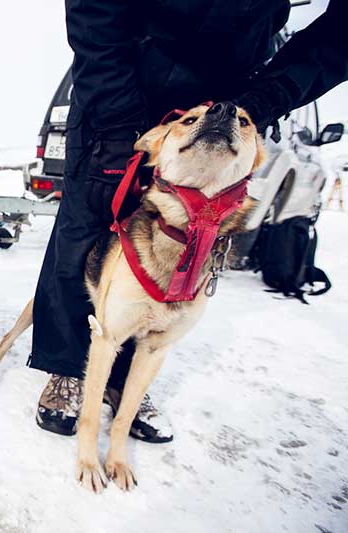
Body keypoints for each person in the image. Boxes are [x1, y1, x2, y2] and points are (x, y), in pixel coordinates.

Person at [31, 0, 348, 440]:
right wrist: (118, 115)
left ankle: (126, 378)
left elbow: (336, 37)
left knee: (184, 242)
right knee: (87, 230)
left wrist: (260, 102)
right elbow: (95, 11)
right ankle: (68, 367)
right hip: (124, 81)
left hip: (226, 98)